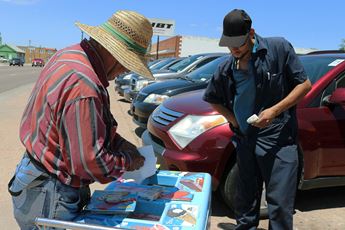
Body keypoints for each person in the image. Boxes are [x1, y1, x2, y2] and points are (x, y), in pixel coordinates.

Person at [8, 10, 153, 229]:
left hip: (37, 177)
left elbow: (91, 126)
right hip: (51, 191)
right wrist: (129, 162)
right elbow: (88, 161)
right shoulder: (85, 86)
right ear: (113, 53)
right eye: (126, 63)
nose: (123, 71)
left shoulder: (70, 54)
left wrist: (121, 144)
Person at [203, 9, 312, 229]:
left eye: (239, 44)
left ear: (251, 33)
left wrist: (275, 110)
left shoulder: (279, 49)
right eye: (229, 44)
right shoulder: (226, 67)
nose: (234, 49)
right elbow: (212, 98)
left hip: (278, 141)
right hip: (245, 140)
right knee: (244, 203)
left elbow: (304, 85)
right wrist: (233, 120)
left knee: (280, 206)